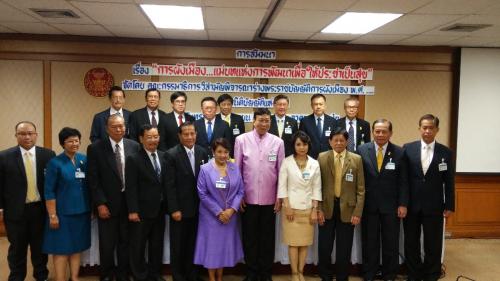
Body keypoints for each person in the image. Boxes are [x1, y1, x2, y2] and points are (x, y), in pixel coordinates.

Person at [234, 108, 285, 281]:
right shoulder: (241, 140)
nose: (264, 124)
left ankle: (265, 273)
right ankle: (251, 272)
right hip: (247, 199)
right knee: (250, 238)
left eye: (267, 121)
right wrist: (238, 196)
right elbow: (237, 171)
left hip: (270, 199)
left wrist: (280, 197)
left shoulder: (278, 142)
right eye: (261, 120)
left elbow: (281, 172)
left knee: (267, 238)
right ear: (254, 121)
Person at [87, 114, 140, 281]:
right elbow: (93, 180)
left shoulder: (134, 146)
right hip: (107, 204)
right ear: (107, 129)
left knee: (125, 241)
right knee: (107, 243)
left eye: (122, 126)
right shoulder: (95, 148)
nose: (119, 129)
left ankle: (123, 274)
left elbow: (137, 178)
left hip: (128, 203)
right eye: (115, 126)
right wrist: (100, 204)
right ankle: (106, 274)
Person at [0, 121, 55, 281]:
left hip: (39, 209)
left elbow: (52, 184)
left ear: (36, 135)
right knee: (17, 248)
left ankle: (41, 275)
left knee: (39, 247)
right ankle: (16, 276)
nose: (27, 137)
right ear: (16, 135)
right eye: (22, 133)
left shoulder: (48, 155)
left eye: (30, 133)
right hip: (15, 211)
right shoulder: (4, 157)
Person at [403, 114, 455, 281]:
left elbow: (449, 181)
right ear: (419, 128)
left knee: (433, 242)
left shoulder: (446, 152)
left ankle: (432, 273)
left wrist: (449, 205)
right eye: (424, 127)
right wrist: (402, 203)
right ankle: (414, 273)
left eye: (430, 128)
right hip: (411, 204)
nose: (427, 131)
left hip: (434, 205)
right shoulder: (407, 148)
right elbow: (403, 180)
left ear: (437, 130)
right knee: (411, 242)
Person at [357, 119, 409, 281]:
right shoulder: (362, 150)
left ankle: (389, 274)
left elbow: (403, 181)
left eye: (384, 131)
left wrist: (403, 204)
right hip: (369, 206)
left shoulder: (400, 152)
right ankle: (369, 273)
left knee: (390, 243)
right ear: (372, 132)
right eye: (377, 131)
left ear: (390, 133)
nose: (380, 134)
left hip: (391, 207)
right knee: (369, 242)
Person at [42, 127, 91, 281]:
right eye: (70, 141)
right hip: (62, 214)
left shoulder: (84, 159)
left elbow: (89, 185)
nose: (74, 143)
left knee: (77, 248)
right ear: (63, 143)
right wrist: (52, 215)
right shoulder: (54, 163)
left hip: (82, 212)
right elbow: (49, 191)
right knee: (61, 249)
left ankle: (74, 277)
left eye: (76, 140)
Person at [317, 128, 365, 281]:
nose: (338, 143)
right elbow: (316, 186)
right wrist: (318, 209)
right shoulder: (322, 157)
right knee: (324, 247)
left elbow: (361, 189)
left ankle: (342, 277)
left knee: (344, 248)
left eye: (342, 140)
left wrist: (357, 212)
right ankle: (325, 276)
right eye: (335, 140)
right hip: (326, 208)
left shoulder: (356, 159)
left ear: (347, 142)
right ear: (330, 141)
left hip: (348, 210)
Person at [193, 138, 244, 281]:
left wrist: (231, 210)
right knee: (212, 248)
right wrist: (218, 212)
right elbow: (202, 193)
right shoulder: (205, 169)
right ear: (213, 152)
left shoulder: (235, 168)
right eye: (219, 152)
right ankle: (211, 278)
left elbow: (240, 191)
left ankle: (220, 277)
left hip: (230, 216)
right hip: (211, 217)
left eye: (226, 152)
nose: (223, 155)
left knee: (222, 248)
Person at [166, 122, 209, 281]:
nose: (190, 137)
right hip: (180, 210)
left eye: (192, 133)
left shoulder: (202, 152)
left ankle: (193, 274)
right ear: (179, 136)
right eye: (186, 134)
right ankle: (178, 276)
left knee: (194, 243)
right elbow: (169, 186)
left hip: (199, 209)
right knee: (178, 245)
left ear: (196, 134)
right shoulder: (171, 154)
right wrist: (174, 209)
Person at [125, 124, 169, 281]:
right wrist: (132, 210)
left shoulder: (164, 156)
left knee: (156, 245)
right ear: (141, 139)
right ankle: (140, 275)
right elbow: (131, 187)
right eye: (149, 137)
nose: (153, 140)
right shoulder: (134, 159)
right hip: (141, 211)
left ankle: (155, 274)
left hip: (160, 210)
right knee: (138, 245)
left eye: (156, 136)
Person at [277, 131, 321, 281]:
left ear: (309, 145)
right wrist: (287, 206)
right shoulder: (286, 162)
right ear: (294, 146)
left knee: (304, 244)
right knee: (293, 244)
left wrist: (315, 210)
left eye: (304, 144)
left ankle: (301, 271)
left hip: (308, 208)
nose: (302, 147)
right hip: (291, 208)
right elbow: (282, 187)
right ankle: (294, 273)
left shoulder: (314, 163)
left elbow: (317, 188)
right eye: (298, 144)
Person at [299, 94, 337, 159]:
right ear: (311, 106)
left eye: (321, 104)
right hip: (310, 158)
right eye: (315, 104)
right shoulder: (305, 121)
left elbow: (335, 141)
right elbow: (302, 141)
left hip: (328, 158)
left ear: (325, 105)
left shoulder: (333, 121)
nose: (318, 106)